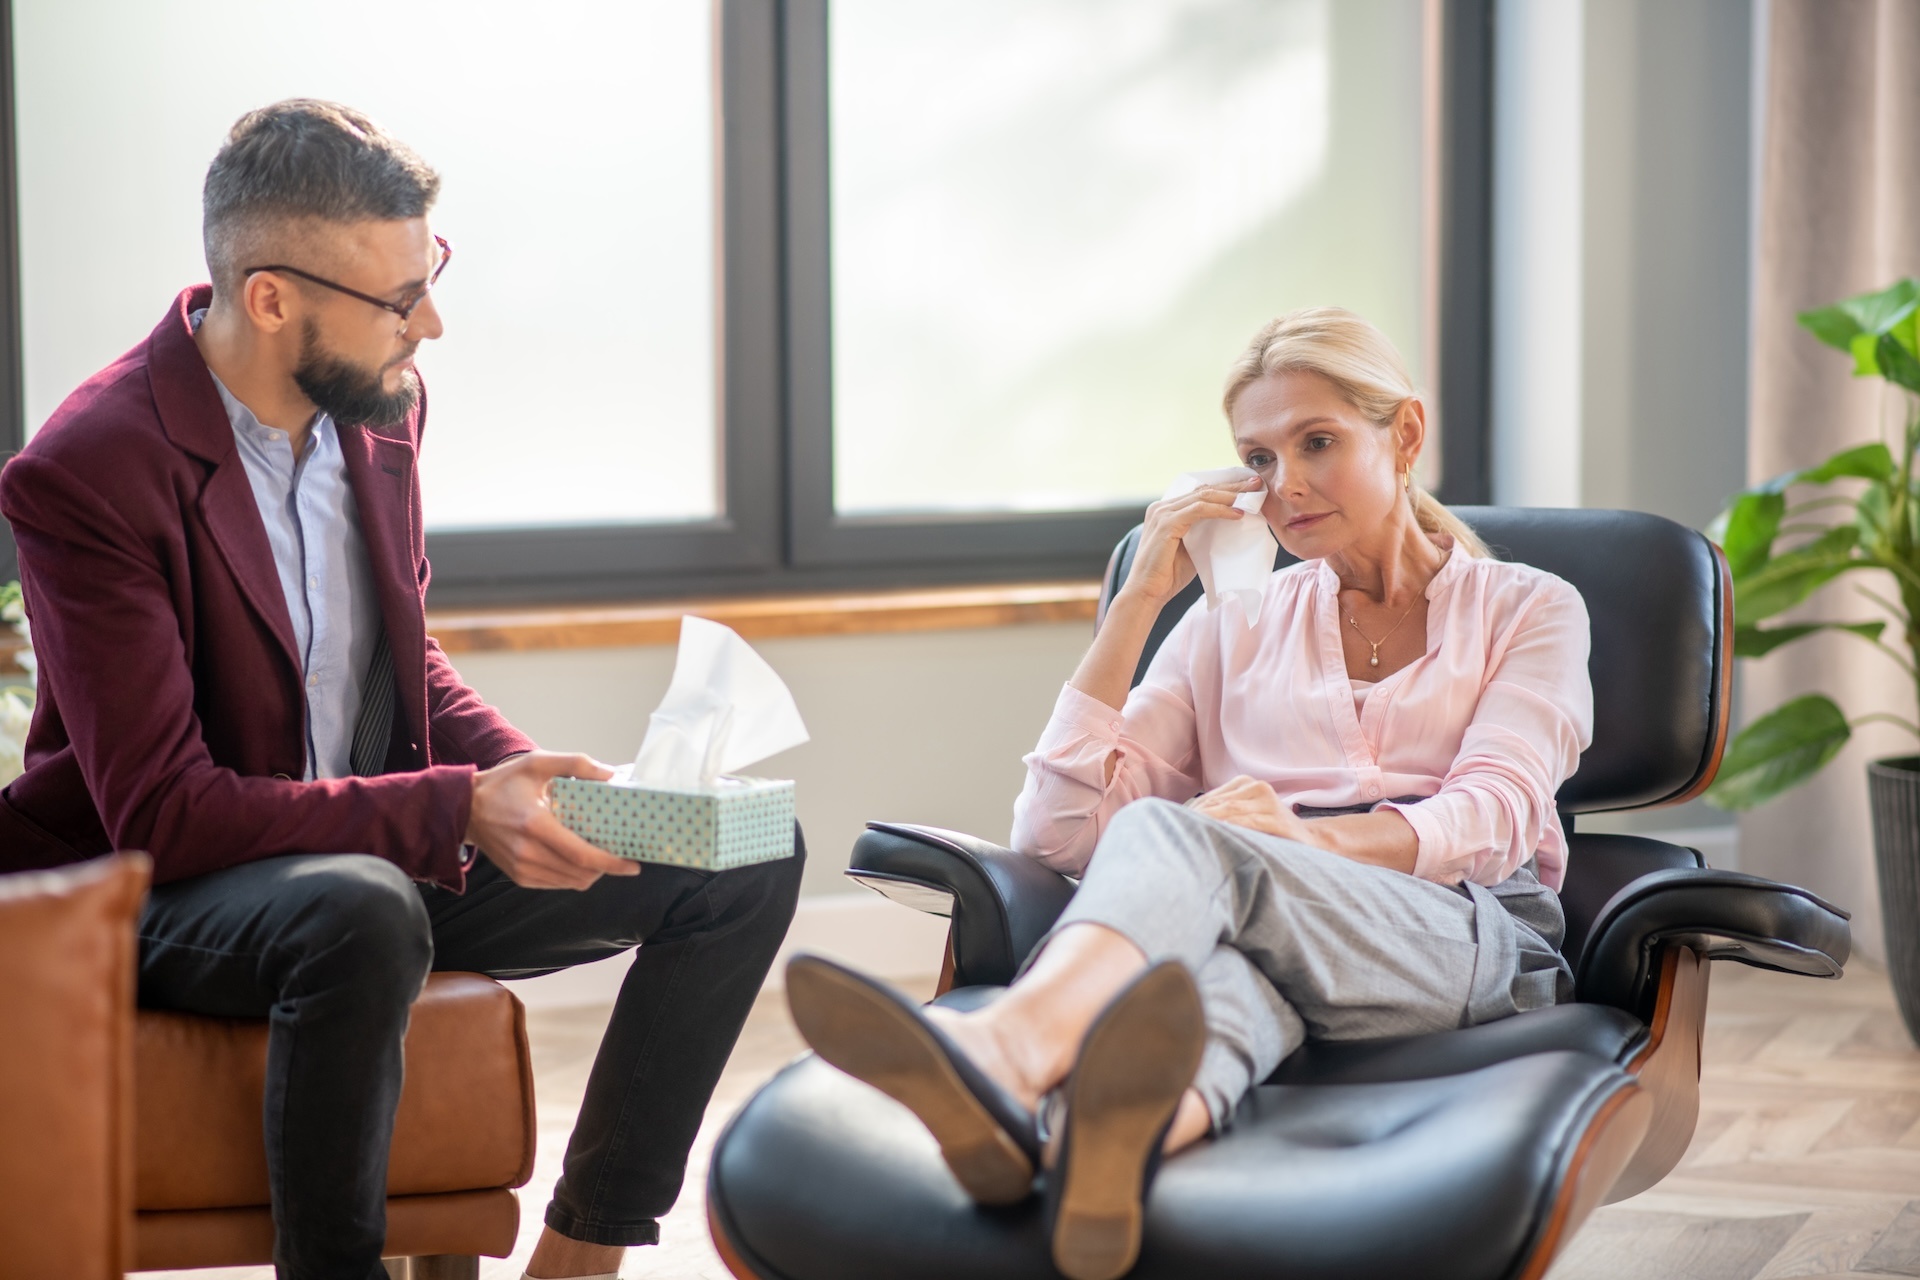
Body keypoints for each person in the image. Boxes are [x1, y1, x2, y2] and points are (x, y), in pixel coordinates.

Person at [0, 100, 802, 1280]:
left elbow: (398, 660)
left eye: (431, 276)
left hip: (366, 848)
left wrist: (538, 790)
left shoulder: (380, 412)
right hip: (164, 891)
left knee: (746, 853)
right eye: (397, 298)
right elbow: (165, 812)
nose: (431, 321)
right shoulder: (89, 470)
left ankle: (581, 1255)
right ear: (271, 297)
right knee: (364, 905)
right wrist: (458, 808)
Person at [785, 307, 1592, 1280]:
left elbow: (1493, 815)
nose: (1283, 485)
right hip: (1277, 930)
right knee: (1200, 998)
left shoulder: (1530, 607)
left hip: (1468, 936)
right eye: (1257, 457)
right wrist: (1138, 603)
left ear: (1406, 434)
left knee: (1193, 840)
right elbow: (1057, 834)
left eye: (1318, 441)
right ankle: (1091, 1160)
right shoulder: (1229, 624)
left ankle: (1004, 1051)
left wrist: (1288, 841)